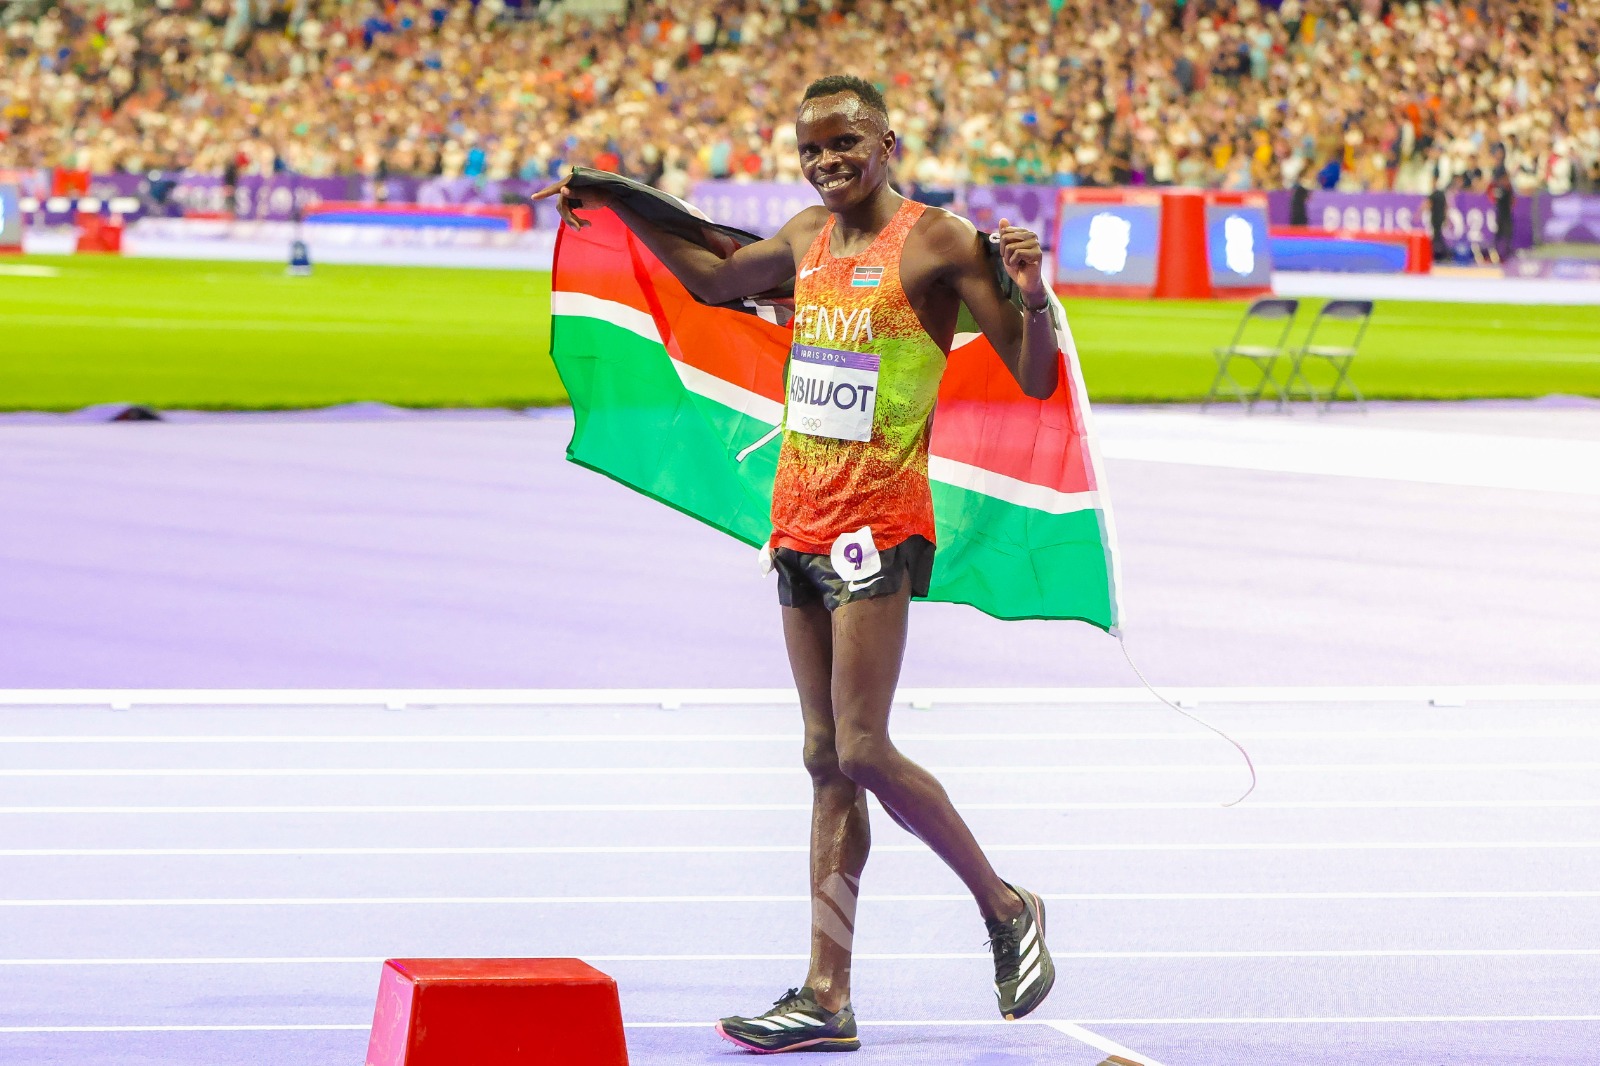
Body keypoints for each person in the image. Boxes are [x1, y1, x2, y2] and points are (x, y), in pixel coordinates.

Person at [535, 74, 1060, 1054]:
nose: (827, 163)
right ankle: (827, 994)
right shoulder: (804, 239)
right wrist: (611, 191)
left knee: (862, 746)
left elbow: (1032, 379)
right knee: (824, 759)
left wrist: (1030, 298)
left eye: (844, 144)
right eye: (811, 149)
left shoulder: (938, 241)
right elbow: (707, 267)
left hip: (882, 521)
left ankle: (1004, 903)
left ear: (889, 142)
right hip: (800, 519)